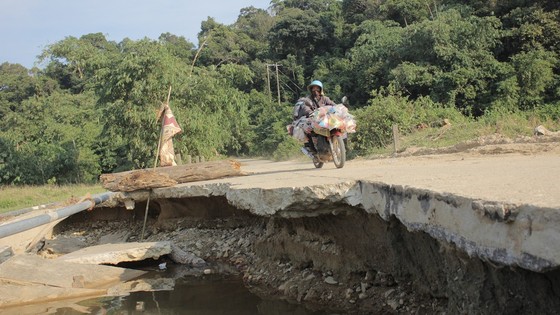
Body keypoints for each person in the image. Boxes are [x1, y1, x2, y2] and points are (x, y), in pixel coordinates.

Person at [294, 80, 336, 154]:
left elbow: (332, 104)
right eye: (313, 89)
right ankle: (312, 149)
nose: (315, 91)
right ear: (311, 90)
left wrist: (338, 108)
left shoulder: (325, 98)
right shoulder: (308, 99)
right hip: (313, 119)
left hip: (324, 119)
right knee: (310, 131)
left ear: (320, 89)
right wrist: (310, 112)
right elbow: (305, 107)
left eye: (317, 89)